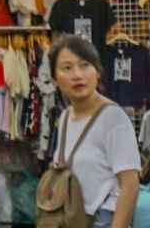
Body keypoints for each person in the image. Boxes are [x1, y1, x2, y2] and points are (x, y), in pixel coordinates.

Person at [50, 35, 141, 228]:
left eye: (84, 65)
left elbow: (130, 185)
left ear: (97, 72)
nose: (77, 75)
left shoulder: (113, 118)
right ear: (55, 78)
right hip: (74, 219)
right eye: (67, 68)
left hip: (104, 220)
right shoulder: (66, 117)